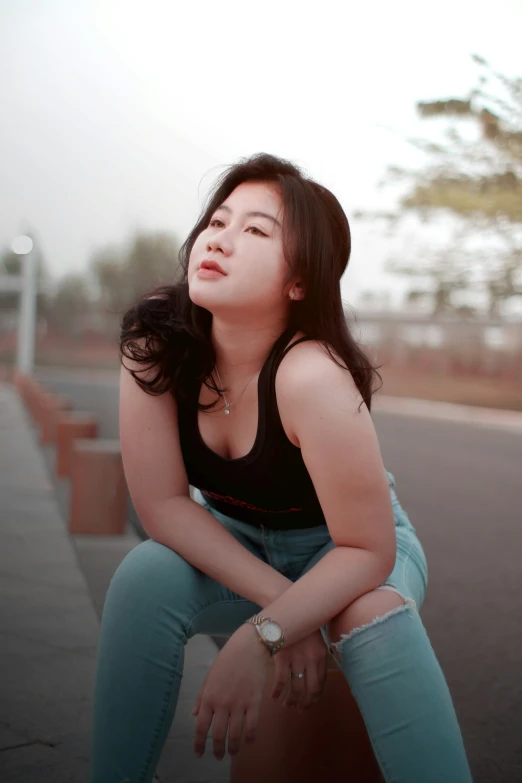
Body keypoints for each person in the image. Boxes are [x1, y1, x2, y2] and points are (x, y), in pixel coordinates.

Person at [89, 153, 473, 782]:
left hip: (351, 547)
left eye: (256, 231)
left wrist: (256, 636)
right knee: (144, 577)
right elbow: (162, 507)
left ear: (299, 282)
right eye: (218, 221)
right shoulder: (156, 340)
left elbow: (367, 549)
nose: (220, 238)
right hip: (239, 543)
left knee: (366, 613)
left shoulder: (312, 375)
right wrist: (281, 614)